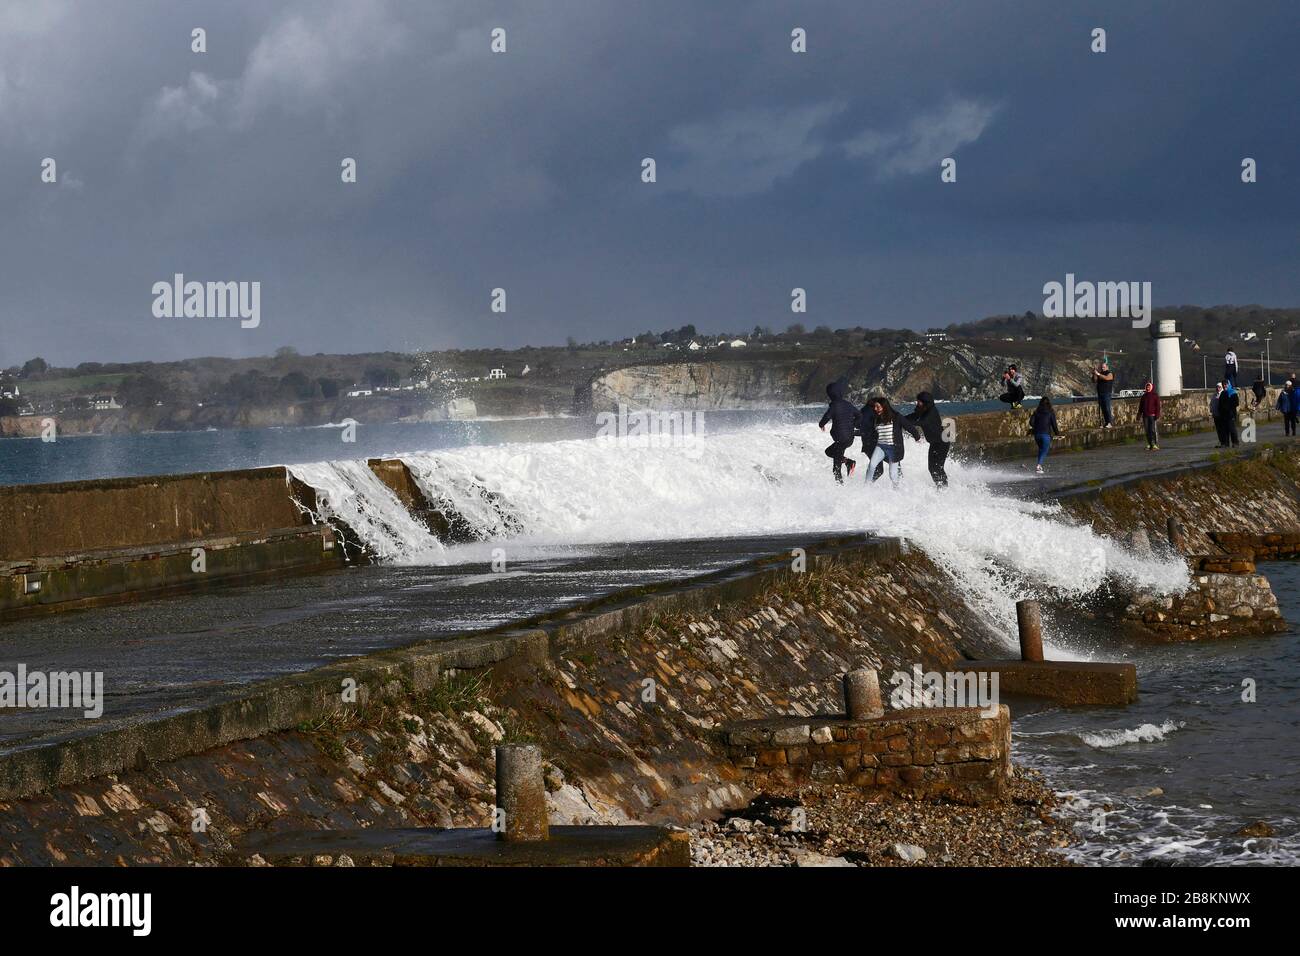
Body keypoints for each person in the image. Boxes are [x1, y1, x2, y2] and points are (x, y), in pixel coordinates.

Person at [860, 395, 921, 488]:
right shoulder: (876, 418)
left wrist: (917, 438)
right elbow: (870, 431)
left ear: (884, 407)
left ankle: (898, 490)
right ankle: (865, 487)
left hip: (894, 448)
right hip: (880, 446)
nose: (875, 409)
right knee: (872, 465)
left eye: (878, 407)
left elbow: (909, 427)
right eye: (875, 407)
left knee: (892, 475)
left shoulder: (896, 417)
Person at [905, 391, 950, 487]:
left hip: (942, 443)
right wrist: (900, 419)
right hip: (934, 443)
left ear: (925, 402)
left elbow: (923, 422)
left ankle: (944, 487)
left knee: (938, 467)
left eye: (919, 402)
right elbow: (912, 417)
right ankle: (939, 486)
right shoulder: (923, 410)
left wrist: (907, 423)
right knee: (931, 468)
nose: (917, 404)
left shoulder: (931, 412)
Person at [818, 380, 859, 483]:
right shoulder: (848, 404)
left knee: (836, 469)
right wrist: (853, 425)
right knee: (829, 451)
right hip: (849, 438)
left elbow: (826, 417)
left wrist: (821, 424)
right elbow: (859, 415)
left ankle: (841, 491)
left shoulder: (834, 406)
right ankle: (848, 462)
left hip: (841, 440)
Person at [1029, 395, 1061, 475]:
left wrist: (1036, 426)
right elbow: (1054, 425)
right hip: (1045, 435)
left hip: (1037, 435)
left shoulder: (1036, 412)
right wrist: (1058, 434)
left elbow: (1031, 423)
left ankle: (1039, 466)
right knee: (1045, 450)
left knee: (1041, 449)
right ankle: (1039, 466)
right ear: (1049, 404)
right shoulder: (1050, 412)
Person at [1138, 380, 1161, 450]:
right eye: (1147, 387)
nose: (1148, 388)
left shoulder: (1155, 395)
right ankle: (1149, 443)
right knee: (1147, 430)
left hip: (1152, 415)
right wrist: (1138, 415)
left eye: (1149, 387)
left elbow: (1158, 406)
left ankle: (1155, 444)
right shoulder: (1143, 396)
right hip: (1145, 415)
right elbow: (1141, 407)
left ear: (1151, 387)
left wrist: (1157, 414)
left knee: (1153, 430)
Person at [1091, 360, 1115, 427]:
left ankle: (1110, 423)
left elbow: (1107, 378)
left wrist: (1098, 374)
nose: (1102, 368)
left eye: (1104, 367)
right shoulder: (1100, 373)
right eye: (1102, 367)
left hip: (1107, 393)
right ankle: (1106, 422)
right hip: (1100, 393)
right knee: (1103, 409)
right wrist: (1094, 374)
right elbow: (1094, 381)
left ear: (1107, 367)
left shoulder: (1110, 373)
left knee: (1107, 408)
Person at [1221, 382, 1241, 446]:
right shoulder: (1223, 393)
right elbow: (1220, 403)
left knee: (1232, 429)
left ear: (1228, 384)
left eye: (1225, 384)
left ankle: (1235, 442)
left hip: (1231, 414)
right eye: (1223, 384)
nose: (1224, 386)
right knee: (1225, 429)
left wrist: (1228, 406)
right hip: (1224, 414)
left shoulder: (1233, 392)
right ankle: (1226, 443)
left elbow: (1236, 403)